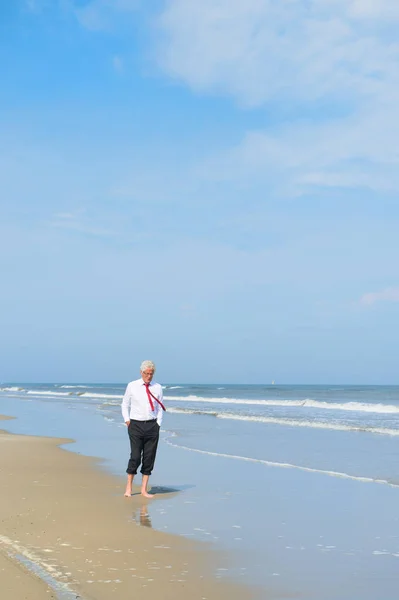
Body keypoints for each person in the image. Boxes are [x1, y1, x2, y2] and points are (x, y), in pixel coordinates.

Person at [121, 360, 166, 498]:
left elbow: (160, 407)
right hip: (135, 425)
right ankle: (128, 488)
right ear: (141, 372)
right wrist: (127, 420)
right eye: (146, 373)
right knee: (135, 456)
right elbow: (124, 404)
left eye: (151, 374)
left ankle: (143, 489)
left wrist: (158, 423)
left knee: (149, 457)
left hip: (152, 425)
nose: (148, 376)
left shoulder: (157, 387)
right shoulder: (132, 386)